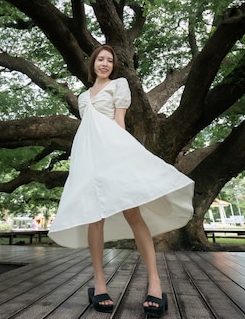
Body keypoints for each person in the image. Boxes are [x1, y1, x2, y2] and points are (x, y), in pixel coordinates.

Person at [48, 45, 195, 318]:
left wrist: (126, 157)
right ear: (92, 64)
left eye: (109, 60)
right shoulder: (83, 97)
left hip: (112, 152)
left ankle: (155, 283)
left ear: (113, 66)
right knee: (95, 217)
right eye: (100, 59)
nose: (104, 63)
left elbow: (119, 123)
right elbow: (88, 129)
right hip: (87, 158)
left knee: (133, 213)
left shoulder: (119, 85)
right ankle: (99, 283)